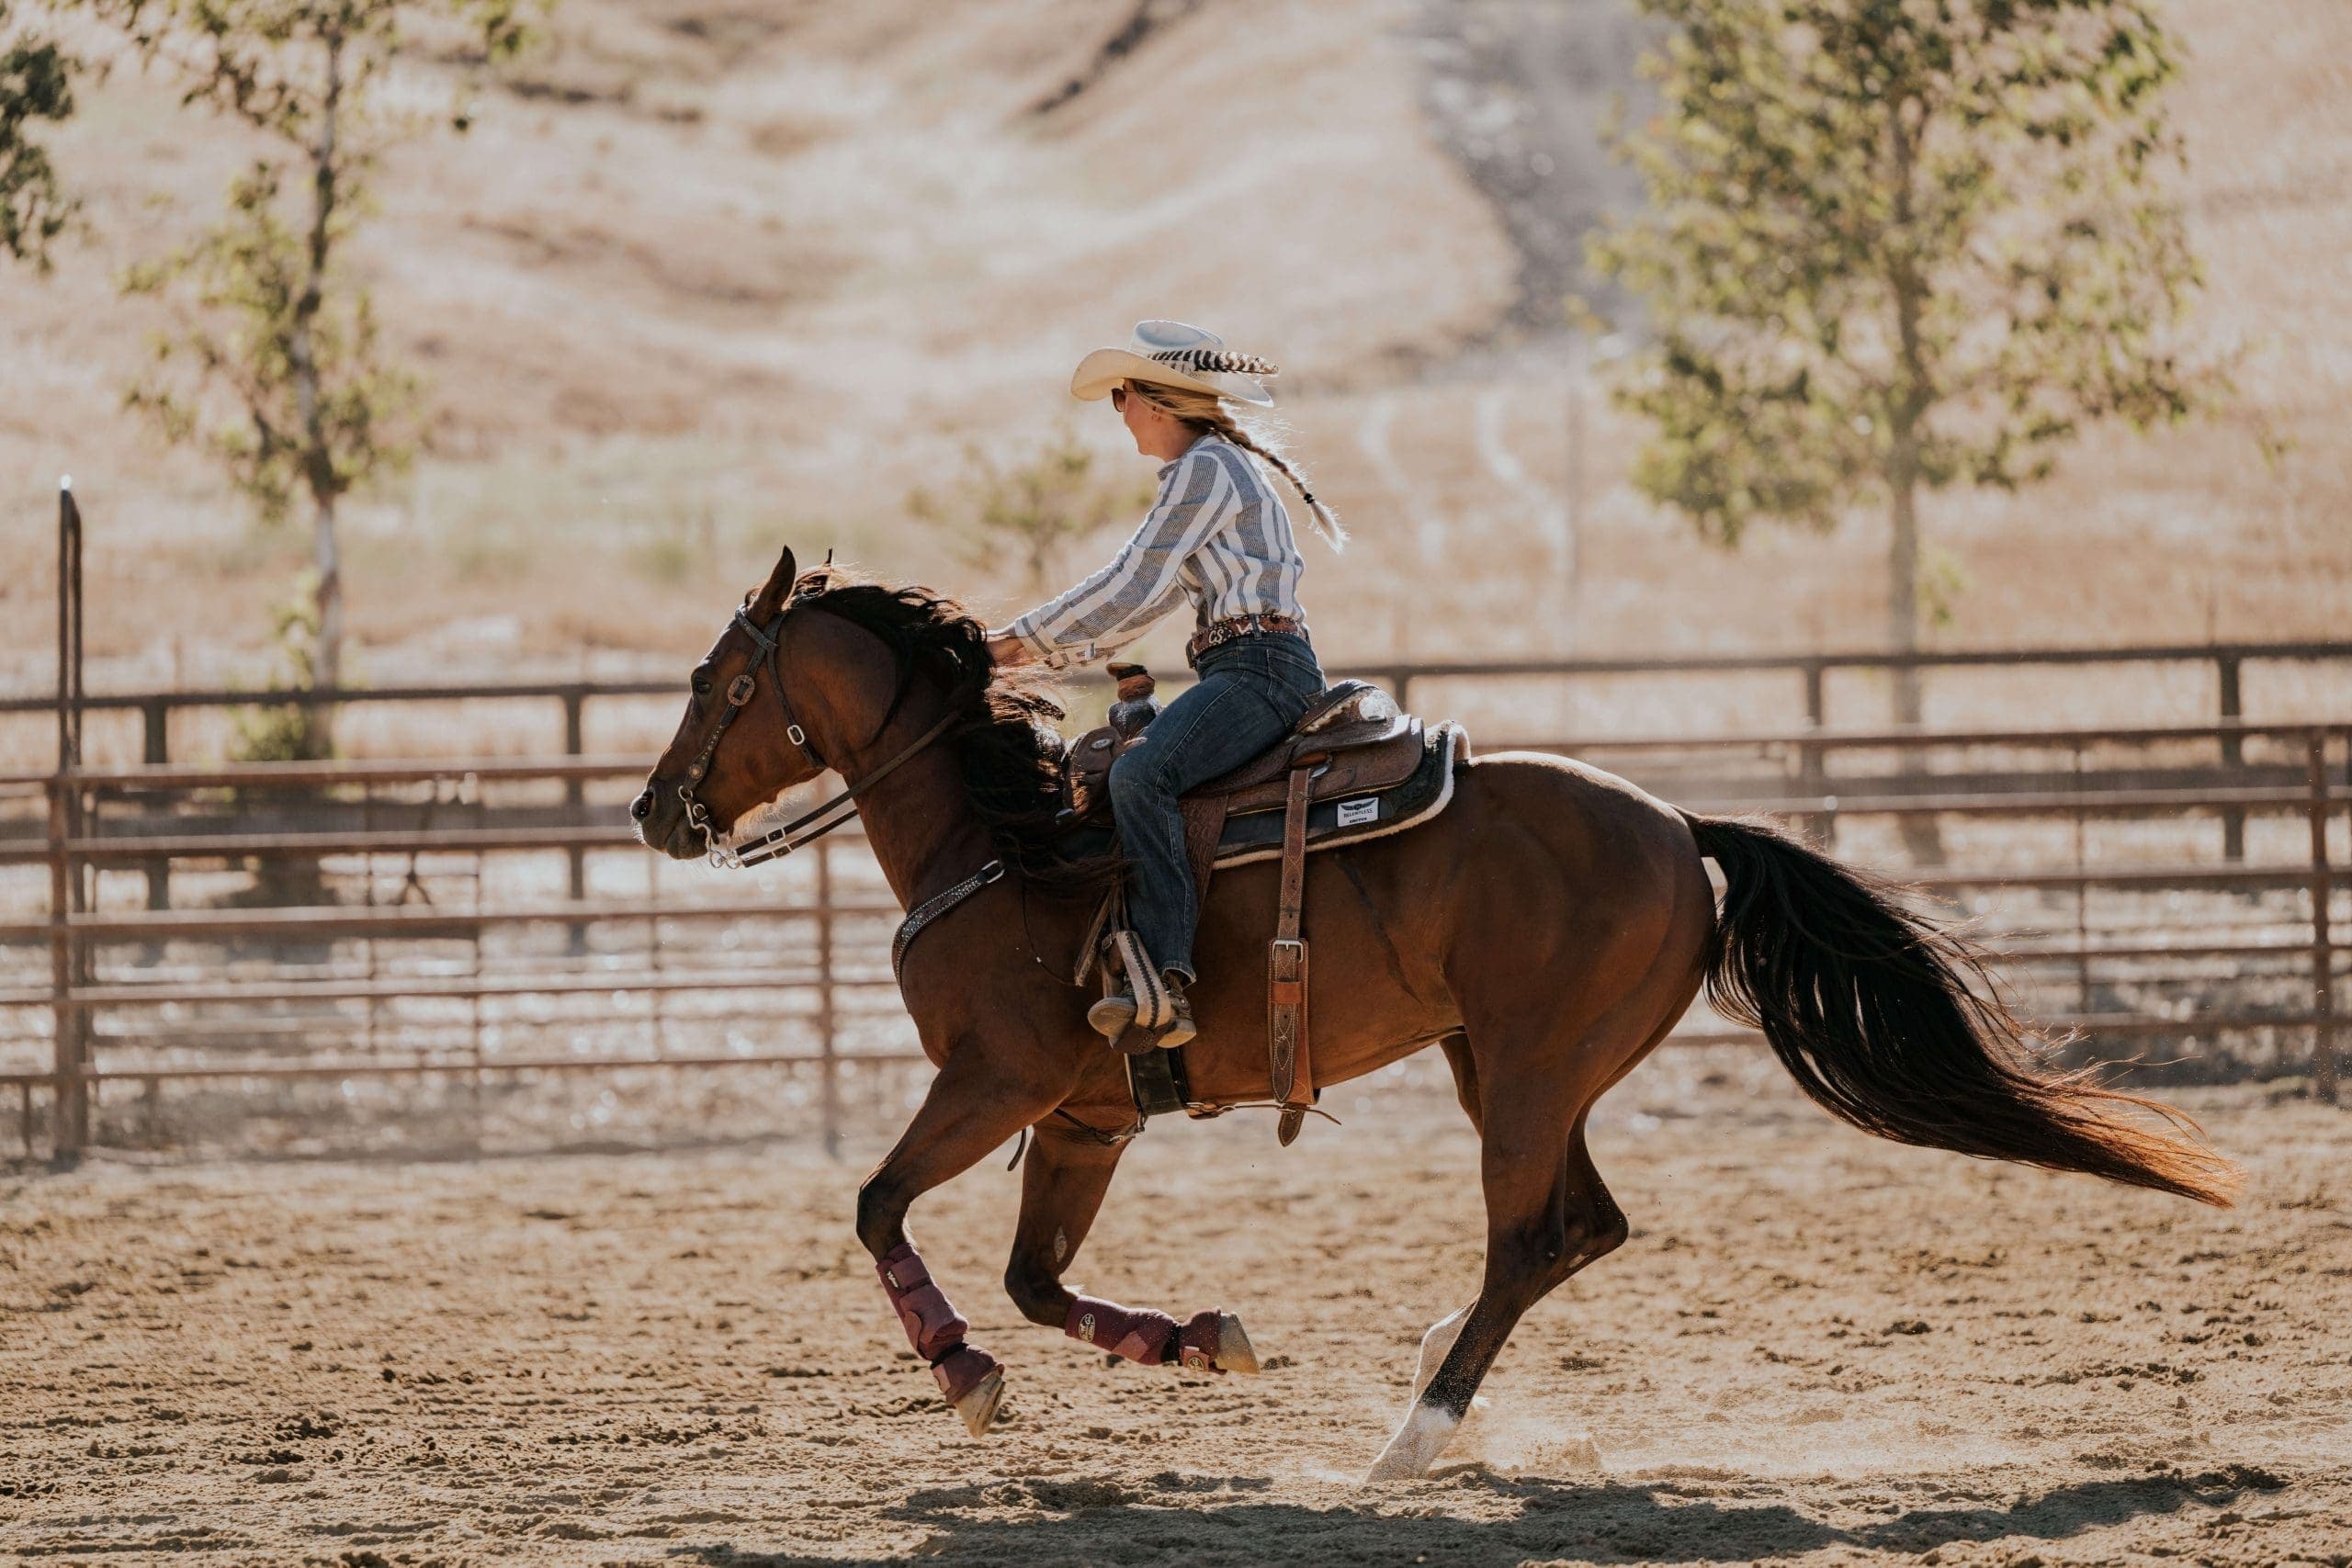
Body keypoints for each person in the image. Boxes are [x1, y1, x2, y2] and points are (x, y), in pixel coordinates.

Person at [985, 321, 1345, 1049]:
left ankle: (1164, 974)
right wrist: (1037, 652)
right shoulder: (1214, 468)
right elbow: (1147, 598)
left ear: (1158, 399)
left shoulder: (1206, 470)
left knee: (1143, 773)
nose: (1118, 410)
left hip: (1258, 670)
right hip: (1252, 663)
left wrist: (1018, 640)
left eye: (1122, 394)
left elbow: (1132, 581)